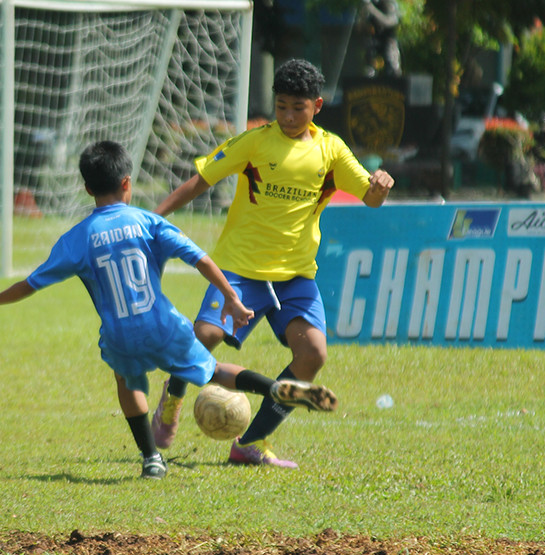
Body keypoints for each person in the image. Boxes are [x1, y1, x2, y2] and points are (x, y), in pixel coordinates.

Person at [0, 140, 337, 480]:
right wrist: (232, 298)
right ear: (127, 183)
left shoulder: (76, 239)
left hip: (120, 335)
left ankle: (151, 457)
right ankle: (280, 388)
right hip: (163, 326)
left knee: (128, 382)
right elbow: (199, 258)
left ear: (87, 189)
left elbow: (30, 284)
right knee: (214, 370)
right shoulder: (147, 222)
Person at [150, 58, 394, 468]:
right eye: (281, 106)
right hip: (239, 268)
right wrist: (152, 222)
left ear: (317, 105)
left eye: (297, 107)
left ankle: (250, 442)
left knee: (313, 354)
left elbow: (370, 198)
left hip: (294, 276)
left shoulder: (331, 150)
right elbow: (200, 181)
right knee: (204, 336)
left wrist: (380, 184)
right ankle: (172, 399)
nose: (287, 115)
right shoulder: (255, 141)